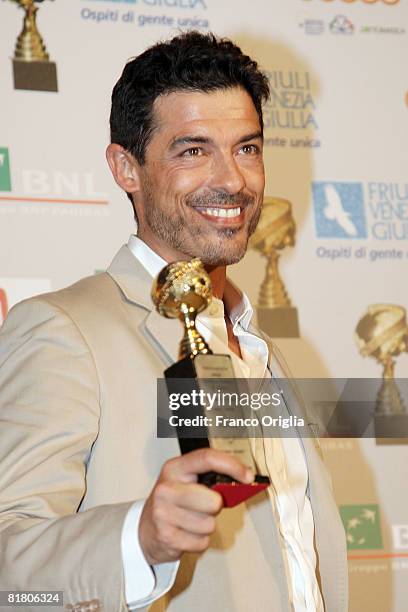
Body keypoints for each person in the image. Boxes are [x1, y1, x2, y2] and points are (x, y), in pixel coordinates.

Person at [0, 32, 348, 611]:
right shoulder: (65, 330)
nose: (233, 180)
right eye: (193, 150)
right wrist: (139, 538)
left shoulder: (260, 346)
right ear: (125, 168)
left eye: (247, 148)